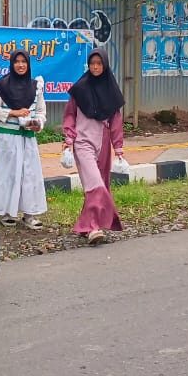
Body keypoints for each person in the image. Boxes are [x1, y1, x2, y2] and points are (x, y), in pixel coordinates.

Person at [63, 49, 126, 244]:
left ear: (105, 65)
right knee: (95, 185)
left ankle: (86, 224)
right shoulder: (80, 89)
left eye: (99, 63)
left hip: (103, 144)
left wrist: (119, 148)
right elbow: (70, 115)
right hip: (83, 143)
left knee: (101, 184)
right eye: (93, 63)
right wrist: (68, 139)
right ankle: (93, 228)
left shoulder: (111, 91)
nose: (96, 67)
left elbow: (116, 122)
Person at [0, 50, 48, 229]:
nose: (20, 65)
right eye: (17, 62)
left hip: (27, 138)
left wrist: (37, 123)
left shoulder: (36, 86)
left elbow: (41, 112)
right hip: (8, 138)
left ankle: (30, 214)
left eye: (24, 62)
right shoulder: (1, 86)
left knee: (30, 174)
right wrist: (12, 112)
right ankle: (4, 212)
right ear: (12, 64)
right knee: (7, 174)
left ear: (29, 65)